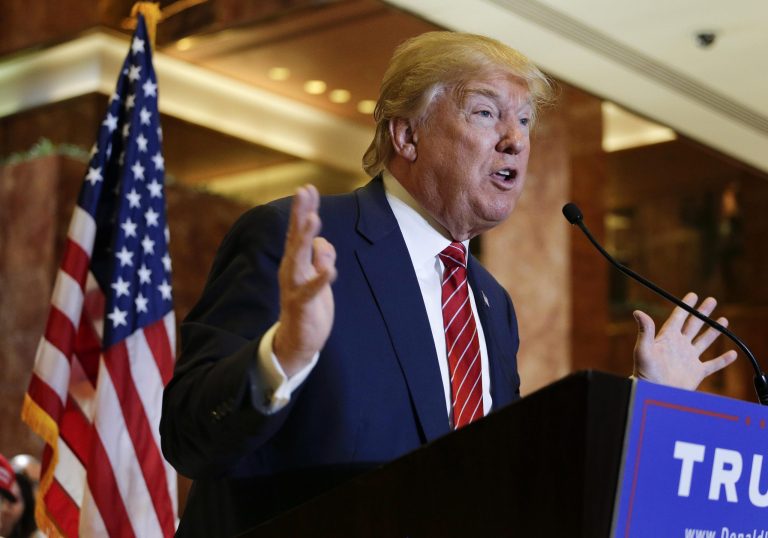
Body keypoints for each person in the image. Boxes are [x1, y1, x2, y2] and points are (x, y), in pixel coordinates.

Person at [160, 31, 736, 537]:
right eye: (486, 113)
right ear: (406, 136)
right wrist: (283, 357)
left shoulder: (491, 304)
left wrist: (645, 408)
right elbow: (190, 433)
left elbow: (507, 479)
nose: (516, 140)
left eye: (526, 121)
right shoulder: (298, 241)